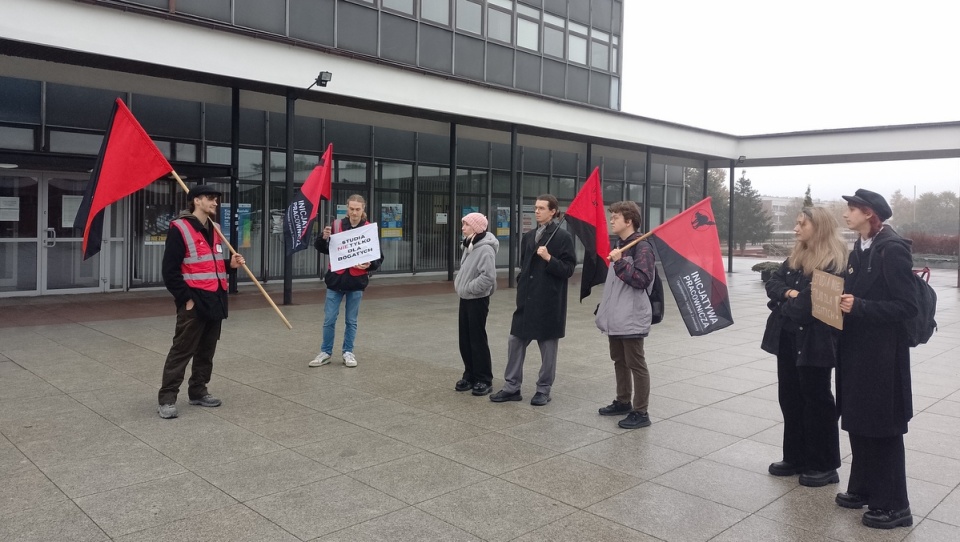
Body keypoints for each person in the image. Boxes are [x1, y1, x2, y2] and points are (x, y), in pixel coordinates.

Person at [835, 189, 917, 529]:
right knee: (858, 420)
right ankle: (864, 488)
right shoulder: (861, 246)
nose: (846, 215)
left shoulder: (892, 250)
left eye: (852, 210)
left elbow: (907, 307)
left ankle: (895, 505)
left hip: (883, 357)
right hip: (857, 351)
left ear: (870, 214)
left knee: (883, 428)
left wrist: (862, 306)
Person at [761, 207, 846, 486]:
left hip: (816, 342)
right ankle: (795, 457)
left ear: (818, 227)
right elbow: (772, 282)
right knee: (790, 397)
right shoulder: (796, 256)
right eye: (796, 223)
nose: (796, 229)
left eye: (801, 224)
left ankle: (823, 464)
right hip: (788, 338)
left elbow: (807, 309)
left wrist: (787, 300)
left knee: (817, 401)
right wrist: (788, 293)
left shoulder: (833, 261)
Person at [158, 184, 244, 419]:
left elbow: (211, 265)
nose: (215, 202)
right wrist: (186, 299)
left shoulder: (215, 228)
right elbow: (170, 271)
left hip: (215, 299)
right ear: (196, 201)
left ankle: (198, 391)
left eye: (216, 199)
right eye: (210, 198)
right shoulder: (180, 228)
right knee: (182, 350)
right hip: (194, 301)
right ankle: (166, 398)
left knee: (206, 351)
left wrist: (230, 266)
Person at [490, 194, 576, 406]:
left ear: (553, 211)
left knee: (547, 348)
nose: (537, 211)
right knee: (515, 341)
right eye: (535, 208)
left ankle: (543, 390)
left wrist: (549, 258)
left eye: (541, 208)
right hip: (527, 301)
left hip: (549, 302)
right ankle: (512, 387)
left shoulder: (563, 237)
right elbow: (524, 266)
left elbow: (568, 269)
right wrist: (521, 284)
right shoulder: (528, 237)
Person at [594, 201, 656, 429]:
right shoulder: (620, 245)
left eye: (615, 217)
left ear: (629, 221)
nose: (611, 221)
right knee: (619, 361)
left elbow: (642, 280)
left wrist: (620, 262)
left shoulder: (642, 248)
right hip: (616, 317)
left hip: (631, 318)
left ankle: (641, 412)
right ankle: (623, 401)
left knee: (636, 364)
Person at [308, 194, 383, 368]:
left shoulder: (368, 230)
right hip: (335, 280)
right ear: (347, 209)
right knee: (329, 319)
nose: (354, 212)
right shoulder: (336, 225)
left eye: (358, 209)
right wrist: (323, 238)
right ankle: (325, 352)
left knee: (351, 320)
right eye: (351, 209)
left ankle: (348, 352)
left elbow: (378, 257)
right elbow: (323, 249)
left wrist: (369, 264)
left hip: (356, 282)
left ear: (363, 209)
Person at [454, 212, 499, 396]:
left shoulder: (485, 249)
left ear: (476, 227)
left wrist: (469, 288)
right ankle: (470, 374)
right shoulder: (470, 245)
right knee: (465, 338)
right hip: (466, 298)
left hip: (477, 299)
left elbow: (488, 277)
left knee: (477, 339)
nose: (463, 228)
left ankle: (483, 378)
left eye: (466, 225)